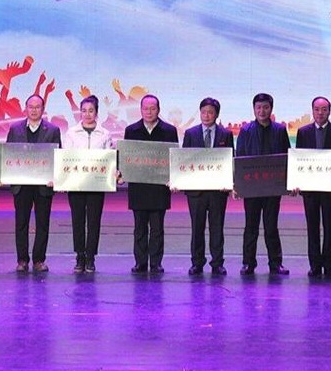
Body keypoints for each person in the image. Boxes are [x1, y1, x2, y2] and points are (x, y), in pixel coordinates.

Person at [123, 94, 179, 273]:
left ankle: (156, 262)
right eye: (145, 108)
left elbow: (174, 158)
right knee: (139, 227)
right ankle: (140, 262)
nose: (149, 112)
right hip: (138, 186)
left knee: (157, 228)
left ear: (158, 110)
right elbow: (125, 157)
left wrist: (174, 177)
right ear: (140, 110)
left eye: (152, 108)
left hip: (159, 187)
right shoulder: (131, 130)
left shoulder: (169, 131)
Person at [236, 93, 289, 275]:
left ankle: (276, 263)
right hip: (251, 188)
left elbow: (287, 158)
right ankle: (248, 263)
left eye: (265, 107)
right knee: (251, 226)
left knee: (271, 226)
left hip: (273, 188)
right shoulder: (246, 130)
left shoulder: (280, 130)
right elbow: (240, 158)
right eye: (258, 107)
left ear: (271, 109)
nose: (262, 111)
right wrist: (238, 185)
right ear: (254, 109)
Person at [294, 96, 331, 278]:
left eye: (324, 109)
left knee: (330, 227)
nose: (320, 113)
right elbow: (298, 160)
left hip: (330, 189)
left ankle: (329, 264)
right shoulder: (303, 132)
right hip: (309, 190)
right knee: (312, 227)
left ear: (329, 112)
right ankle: (315, 265)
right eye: (317, 109)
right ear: (312, 111)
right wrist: (297, 182)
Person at [6, 93, 61, 272]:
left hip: (43, 185)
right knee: (21, 223)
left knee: (42, 223)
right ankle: (22, 260)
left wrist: (56, 178)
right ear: (25, 108)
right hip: (21, 184)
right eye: (31, 107)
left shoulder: (53, 130)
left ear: (43, 109)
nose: (34, 110)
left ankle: (39, 260)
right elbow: (8, 155)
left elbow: (58, 157)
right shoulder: (15, 129)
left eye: (38, 107)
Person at [180, 97, 234, 276]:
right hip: (196, 191)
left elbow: (230, 160)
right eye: (203, 112)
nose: (206, 115)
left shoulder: (225, 134)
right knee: (197, 228)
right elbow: (183, 161)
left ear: (217, 114)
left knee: (217, 227)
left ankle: (217, 263)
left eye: (210, 112)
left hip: (218, 190)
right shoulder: (190, 133)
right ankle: (197, 263)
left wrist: (229, 183)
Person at [62, 95, 113, 273]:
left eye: (91, 111)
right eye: (84, 111)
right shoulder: (71, 133)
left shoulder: (105, 134)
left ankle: (90, 257)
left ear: (97, 112)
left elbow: (109, 158)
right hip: (76, 185)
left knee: (94, 221)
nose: (87, 114)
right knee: (77, 221)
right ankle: (79, 256)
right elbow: (65, 157)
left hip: (96, 185)